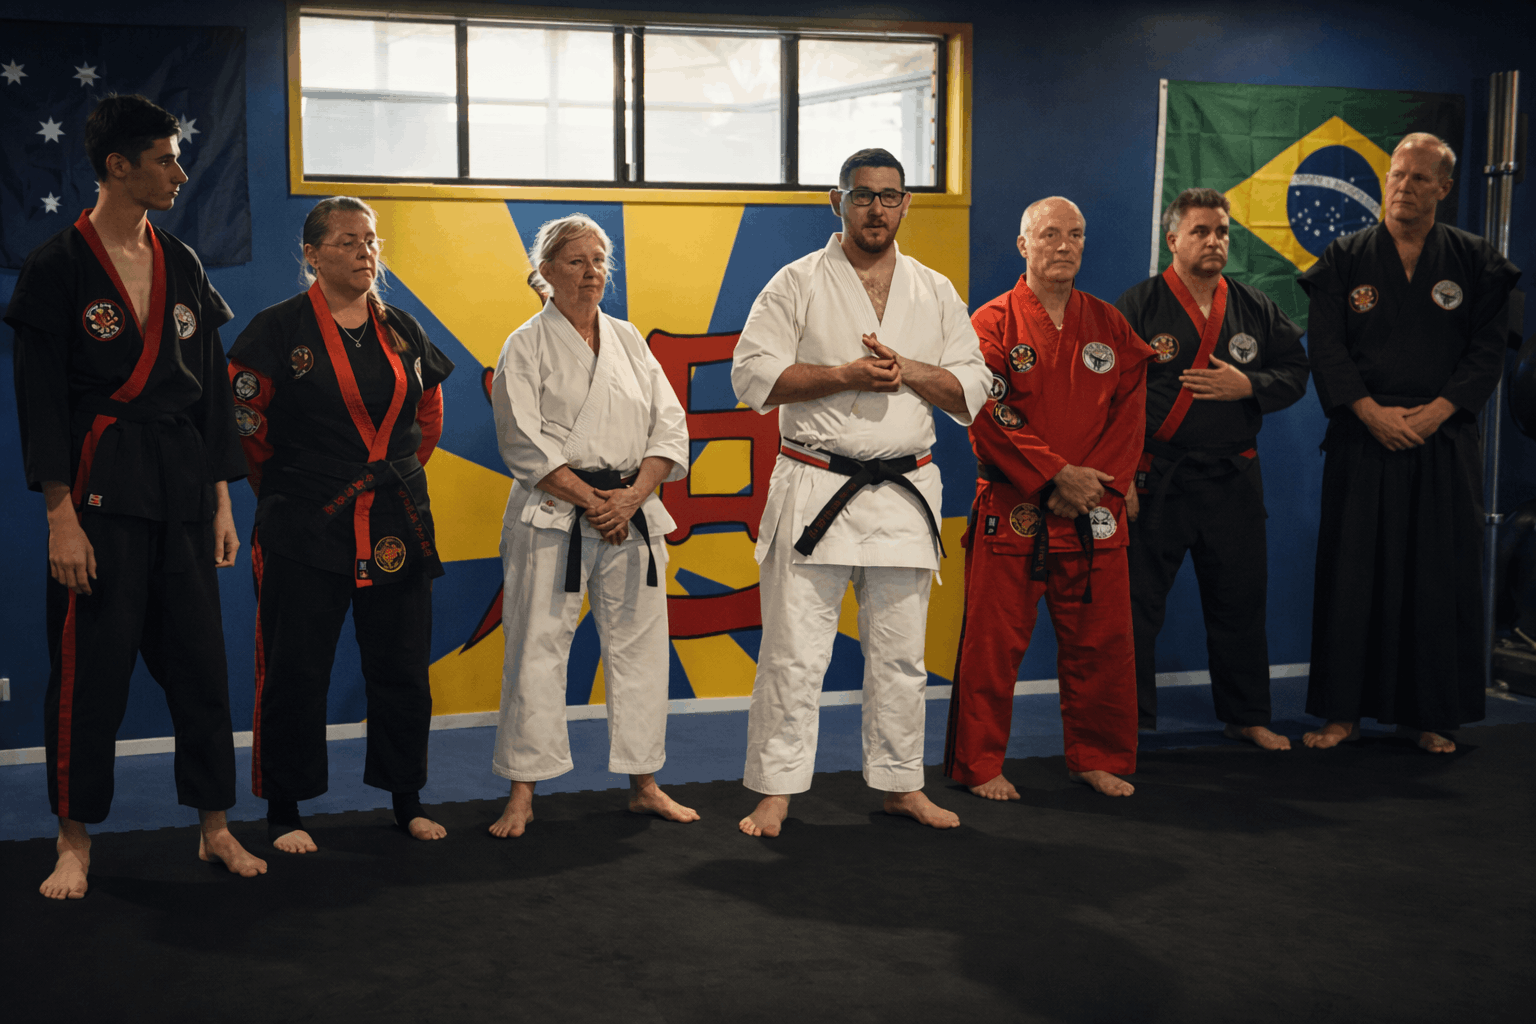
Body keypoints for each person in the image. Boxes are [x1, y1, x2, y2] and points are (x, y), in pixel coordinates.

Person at [5, 95, 266, 898]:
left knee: (200, 669)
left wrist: (221, 501)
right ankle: (73, 840)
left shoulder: (181, 261)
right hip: (100, 493)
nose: (180, 174)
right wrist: (60, 517)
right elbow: (41, 402)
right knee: (91, 676)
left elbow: (211, 394)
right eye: (164, 159)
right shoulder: (58, 266)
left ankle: (214, 828)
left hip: (182, 488)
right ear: (118, 166)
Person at [731, 148, 990, 837]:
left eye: (889, 196)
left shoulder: (933, 290)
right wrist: (843, 374)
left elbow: (971, 390)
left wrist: (909, 370)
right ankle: (776, 790)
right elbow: (752, 377)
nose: (877, 209)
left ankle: (902, 784)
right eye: (863, 195)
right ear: (837, 201)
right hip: (816, 485)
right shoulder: (795, 282)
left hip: (903, 490)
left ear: (906, 204)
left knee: (902, 657)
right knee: (793, 653)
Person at [228, 197, 455, 851]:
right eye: (349, 240)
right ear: (312, 253)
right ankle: (286, 810)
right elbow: (248, 428)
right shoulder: (277, 329)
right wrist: (299, 488)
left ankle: (406, 797)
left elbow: (427, 416)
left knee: (402, 666)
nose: (365, 251)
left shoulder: (402, 328)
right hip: (306, 520)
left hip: (395, 519)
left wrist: (385, 478)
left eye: (372, 240)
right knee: (296, 667)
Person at [1301, 133, 1520, 754]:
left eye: (1420, 178)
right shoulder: (1345, 257)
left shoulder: (1476, 261)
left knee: (1436, 577)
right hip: (1362, 437)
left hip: (1440, 439)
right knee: (1352, 575)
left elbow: (1487, 352)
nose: (1404, 187)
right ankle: (1342, 714)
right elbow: (1327, 347)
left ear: (1443, 188)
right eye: (1397, 175)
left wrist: (1439, 412)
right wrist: (1369, 411)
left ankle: (1429, 714)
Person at [488, 214, 698, 837]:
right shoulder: (525, 344)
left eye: (600, 261)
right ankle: (522, 792)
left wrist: (630, 498)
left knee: (641, 650)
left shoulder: (628, 339)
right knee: (535, 649)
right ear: (546, 272)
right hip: (555, 516)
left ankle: (645, 784)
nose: (592, 273)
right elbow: (521, 441)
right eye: (577, 261)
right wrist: (593, 501)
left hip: (630, 513)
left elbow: (670, 426)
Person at [944, 197, 1153, 800]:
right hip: (1016, 507)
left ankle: (1097, 756)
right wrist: (1056, 475)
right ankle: (980, 764)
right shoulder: (991, 323)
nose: (1064, 246)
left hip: (1092, 511)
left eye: (1076, 235)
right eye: (1050, 234)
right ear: (1023, 245)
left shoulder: (1109, 323)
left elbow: (1130, 412)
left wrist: (1098, 485)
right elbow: (986, 411)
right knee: (992, 646)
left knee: (1103, 644)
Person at [1114, 188, 1309, 748]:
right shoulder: (1139, 305)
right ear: (1172, 239)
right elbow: (1110, 394)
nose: (1214, 241)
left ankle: (1246, 715)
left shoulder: (1253, 306)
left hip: (1232, 476)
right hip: (1158, 476)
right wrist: (1121, 475)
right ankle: (1127, 723)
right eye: (1201, 231)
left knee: (1240, 600)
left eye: (1222, 231)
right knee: (1137, 605)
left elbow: (1296, 372)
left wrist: (1250, 385)